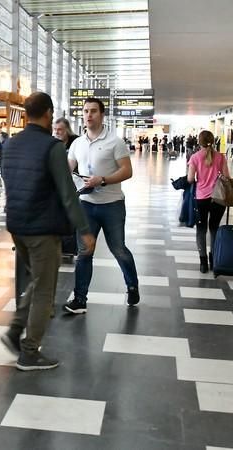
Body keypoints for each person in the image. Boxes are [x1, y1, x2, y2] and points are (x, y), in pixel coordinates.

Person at [0, 92, 95, 371]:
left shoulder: (11, 144)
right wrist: (84, 230)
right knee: (44, 289)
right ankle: (30, 351)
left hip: (17, 224)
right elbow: (67, 193)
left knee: (37, 280)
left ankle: (15, 329)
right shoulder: (52, 147)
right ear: (48, 113)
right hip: (41, 228)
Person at [64, 97, 140, 314]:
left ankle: (132, 285)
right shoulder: (77, 143)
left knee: (119, 249)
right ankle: (80, 299)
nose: (88, 115)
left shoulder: (115, 142)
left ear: (102, 114)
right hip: (86, 205)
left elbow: (127, 171)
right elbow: (68, 168)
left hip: (112, 204)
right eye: (86, 111)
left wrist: (102, 180)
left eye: (93, 111)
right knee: (85, 251)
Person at [187, 130, 230, 273]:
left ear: (199, 142)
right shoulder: (220, 157)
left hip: (201, 198)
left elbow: (190, 179)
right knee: (214, 229)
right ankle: (214, 260)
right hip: (218, 198)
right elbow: (227, 177)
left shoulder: (195, 157)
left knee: (201, 230)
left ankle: (203, 262)